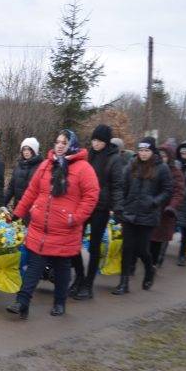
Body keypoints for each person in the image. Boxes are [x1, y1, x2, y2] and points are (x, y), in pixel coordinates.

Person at [6, 130, 98, 318]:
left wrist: (75, 218)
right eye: (57, 142)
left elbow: (91, 196)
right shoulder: (46, 165)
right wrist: (18, 213)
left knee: (62, 269)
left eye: (64, 142)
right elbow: (31, 192)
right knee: (34, 267)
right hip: (40, 227)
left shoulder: (83, 168)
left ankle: (59, 302)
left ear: (72, 144)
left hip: (64, 230)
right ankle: (22, 303)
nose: (60, 145)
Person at [70, 125, 124, 300]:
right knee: (73, 242)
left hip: (101, 207)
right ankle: (79, 276)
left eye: (99, 141)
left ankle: (88, 285)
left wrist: (117, 209)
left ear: (106, 142)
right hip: (84, 204)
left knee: (94, 247)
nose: (96, 144)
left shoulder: (114, 159)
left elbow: (117, 186)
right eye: (94, 140)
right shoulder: (88, 155)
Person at [113, 137, 171, 295]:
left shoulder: (162, 168)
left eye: (147, 150)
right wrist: (120, 206)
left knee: (142, 249)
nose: (143, 154)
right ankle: (123, 283)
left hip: (148, 215)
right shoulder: (131, 165)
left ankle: (149, 270)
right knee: (127, 248)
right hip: (130, 213)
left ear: (152, 151)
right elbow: (121, 187)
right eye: (141, 150)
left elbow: (167, 191)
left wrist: (154, 202)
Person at [148, 144, 184, 268]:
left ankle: (156, 262)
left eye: (165, 156)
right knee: (149, 238)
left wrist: (172, 206)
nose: (162, 158)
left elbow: (178, 192)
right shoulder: (152, 168)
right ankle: (149, 261)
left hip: (165, 211)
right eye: (160, 155)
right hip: (152, 207)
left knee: (159, 239)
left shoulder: (176, 173)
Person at [3, 138, 42, 210]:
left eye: (29, 149)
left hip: (31, 210)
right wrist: (3, 204)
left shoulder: (40, 167)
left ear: (34, 151)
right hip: (17, 208)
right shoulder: (18, 166)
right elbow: (11, 188)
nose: (26, 152)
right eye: (24, 149)